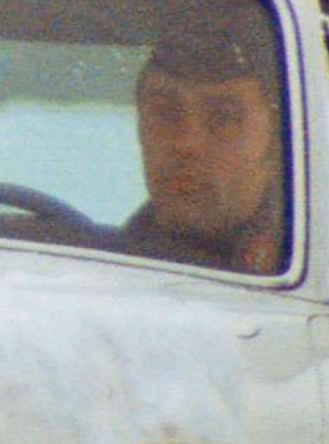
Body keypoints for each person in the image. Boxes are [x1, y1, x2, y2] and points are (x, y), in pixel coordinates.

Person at [123, 18, 287, 273]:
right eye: (164, 113)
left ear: (276, 142)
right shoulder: (102, 266)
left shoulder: (319, 270)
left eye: (224, 118)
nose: (186, 144)